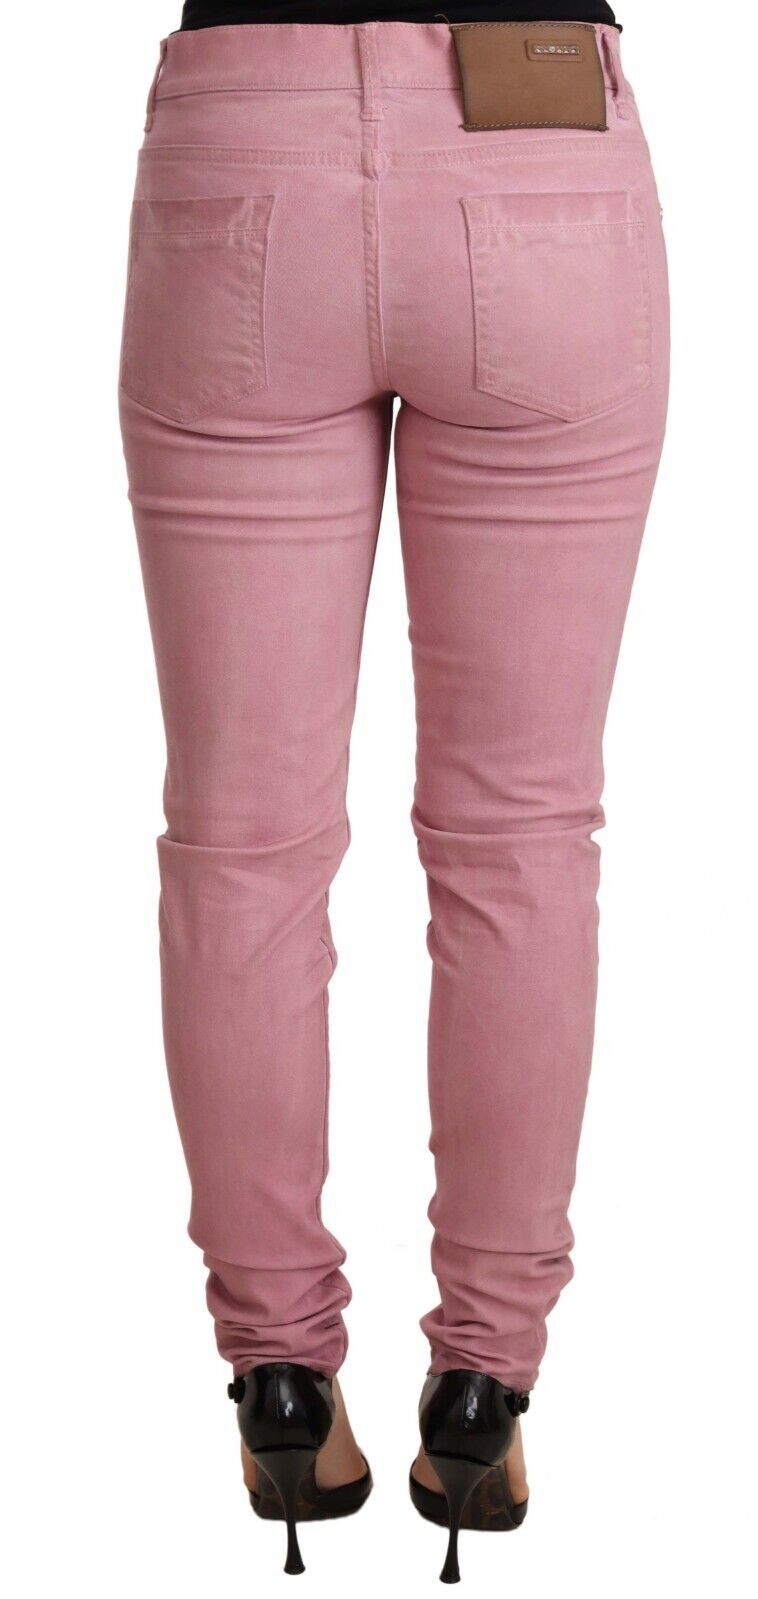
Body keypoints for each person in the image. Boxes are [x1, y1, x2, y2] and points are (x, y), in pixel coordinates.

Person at [119, 2, 668, 1581]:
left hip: (244, 146)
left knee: (239, 848)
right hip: (536, 152)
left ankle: (279, 1377)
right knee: (521, 841)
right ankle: (482, 1380)